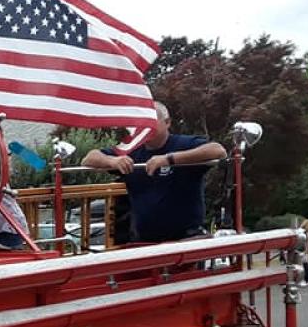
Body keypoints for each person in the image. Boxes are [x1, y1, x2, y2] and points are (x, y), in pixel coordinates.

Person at [81, 101, 227, 242]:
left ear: (167, 122)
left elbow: (218, 150)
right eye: (141, 123)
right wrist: (112, 161)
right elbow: (88, 159)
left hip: (187, 239)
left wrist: (170, 159)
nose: (146, 127)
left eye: (151, 121)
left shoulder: (183, 144)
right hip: (144, 241)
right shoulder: (131, 151)